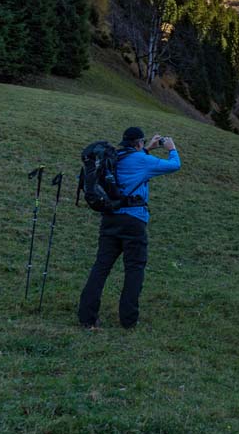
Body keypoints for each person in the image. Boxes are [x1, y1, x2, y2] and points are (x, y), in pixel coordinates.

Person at [77, 127, 181, 329]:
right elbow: (175, 165)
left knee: (101, 267)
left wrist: (147, 148)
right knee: (134, 269)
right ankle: (128, 319)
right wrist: (171, 148)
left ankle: (87, 317)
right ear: (139, 143)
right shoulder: (142, 160)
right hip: (134, 220)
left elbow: (132, 163)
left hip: (110, 218)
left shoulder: (114, 157)